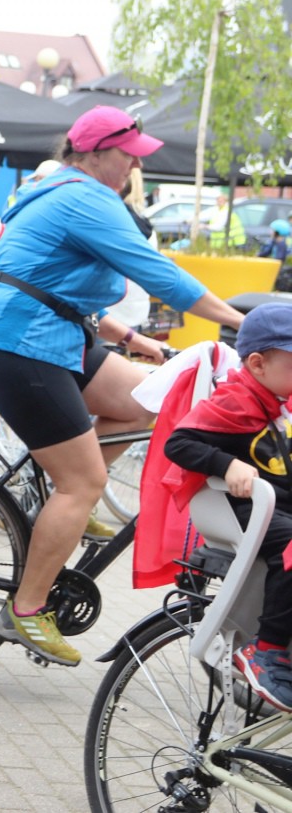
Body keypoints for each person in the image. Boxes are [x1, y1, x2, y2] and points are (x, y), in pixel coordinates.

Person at [0, 105, 245, 666]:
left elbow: (52, 284)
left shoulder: (59, 190)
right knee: (82, 481)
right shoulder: (87, 197)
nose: (134, 167)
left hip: (48, 334)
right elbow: (158, 273)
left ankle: (62, 491)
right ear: (93, 154)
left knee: (146, 400)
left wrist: (134, 339)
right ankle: (27, 608)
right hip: (16, 345)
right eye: (128, 156)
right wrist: (242, 322)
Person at [163, 304, 292, 710]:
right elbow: (178, 442)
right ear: (257, 363)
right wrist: (227, 463)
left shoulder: (278, 400)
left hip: (275, 510)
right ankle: (267, 651)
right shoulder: (237, 399)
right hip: (247, 514)